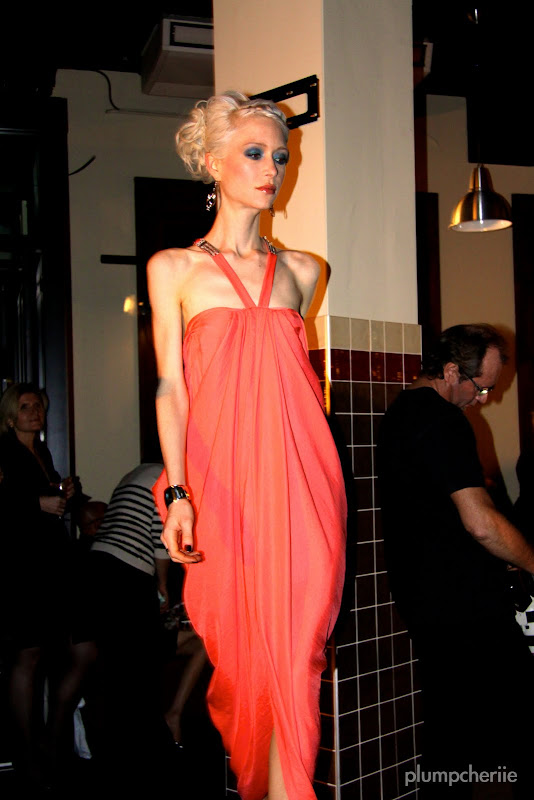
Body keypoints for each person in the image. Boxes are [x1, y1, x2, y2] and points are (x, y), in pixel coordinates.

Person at [148, 91, 347, 800]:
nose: (272, 170)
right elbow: (171, 388)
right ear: (213, 163)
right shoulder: (175, 268)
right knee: (238, 661)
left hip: (302, 488)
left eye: (281, 157)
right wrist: (178, 491)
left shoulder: (305, 272)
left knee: (298, 653)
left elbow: (297, 387)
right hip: (221, 489)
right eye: (255, 153)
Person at [377, 324, 534, 799]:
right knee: (510, 718)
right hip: (463, 605)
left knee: (453, 729)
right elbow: (480, 524)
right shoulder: (443, 421)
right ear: (450, 371)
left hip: (424, 596)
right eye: (480, 387)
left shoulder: (400, 413)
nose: (483, 399)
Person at [0, 382, 96, 791]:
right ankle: (25, 755)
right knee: (27, 656)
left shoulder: (41, 452)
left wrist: (65, 493)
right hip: (21, 567)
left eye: (38, 405)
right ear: (10, 416)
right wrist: (36, 503)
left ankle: (50, 741)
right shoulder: (4, 451)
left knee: (76, 650)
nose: (34, 411)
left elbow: (48, 507)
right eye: (25, 406)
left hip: (51, 566)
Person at [85, 463, 176, 790]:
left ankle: (113, 753)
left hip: (98, 564)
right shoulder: (169, 478)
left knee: (115, 666)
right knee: (140, 666)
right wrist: (162, 585)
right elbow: (160, 536)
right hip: (127, 571)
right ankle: (146, 754)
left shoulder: (137, 473)